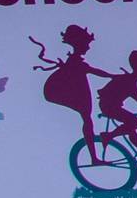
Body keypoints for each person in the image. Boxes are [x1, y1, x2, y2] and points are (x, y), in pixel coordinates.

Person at [33, 24, 113, 155]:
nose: (88, 47)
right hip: (65, 90)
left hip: (74, 88)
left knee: (87, 118)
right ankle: (93, 156)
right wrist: (113, 76)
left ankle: (93, 156)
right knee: (87, 118)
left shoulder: (75, 60)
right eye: (86, 44)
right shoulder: (75, 61)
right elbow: (94, 71)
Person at [95, 48, 137, 167]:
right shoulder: (128, 81)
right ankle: (108, 136)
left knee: (132, 128)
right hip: (109, 107)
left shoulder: (130, 81)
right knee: (135, 123)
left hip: (111, 106)